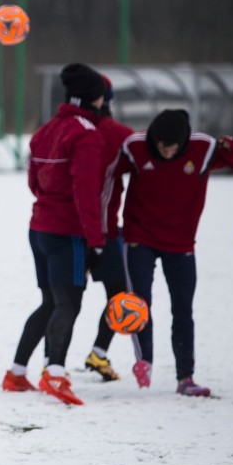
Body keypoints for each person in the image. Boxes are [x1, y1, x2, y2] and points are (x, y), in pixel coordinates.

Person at [115, 109, 233, 396]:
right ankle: (144, 361)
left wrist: (230, 144)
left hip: (181, 244)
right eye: (161, 145)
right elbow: (108, 172)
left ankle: (185, 377)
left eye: (171, 146)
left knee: (183, 310)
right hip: (139, 239)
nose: (166, 151)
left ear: (183, 141)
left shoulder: (204, 147)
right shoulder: (135, 147)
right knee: (139, 304)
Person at [1, 63, 107, 406]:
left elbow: (34, 182)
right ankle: (56, 374)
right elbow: (86, 193)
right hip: (67, 233)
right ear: (96, 97)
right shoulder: (86, 134)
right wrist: (96, 241)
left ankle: (17, 373)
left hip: (39, 228)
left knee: (50, 301)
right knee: (69, 303)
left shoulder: (45, 130)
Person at [81, 76, 134, 382]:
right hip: (104, 231)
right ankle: (98, 353)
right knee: (119, 297)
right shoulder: (116, 133)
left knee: (60, 301)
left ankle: (51, 363)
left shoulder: (64, 129)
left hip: (67, 230)